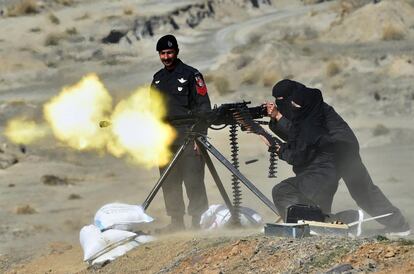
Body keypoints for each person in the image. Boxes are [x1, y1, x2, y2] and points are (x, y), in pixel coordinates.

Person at [267, 79, 410, 236]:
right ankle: (396, 225)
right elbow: (299, 136)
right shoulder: (304, 104)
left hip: (341, 152)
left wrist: (278, 118)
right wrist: (277, 118)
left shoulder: (309, 107)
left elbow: (304, 135)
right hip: (335, 152)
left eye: (283, 100)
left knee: (362, 192)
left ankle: (397, 226)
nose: (282, 104)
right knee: (332, 193)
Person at [150, 34, 211, 231]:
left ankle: (197, 222)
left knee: (193, 181)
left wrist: (199, 136)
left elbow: (204, 108)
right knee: (169, 181)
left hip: (189, 138)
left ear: (176, 52)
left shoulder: (192, 75)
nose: (166, 57)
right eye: (162, 53)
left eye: (169, 52)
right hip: (165, 141)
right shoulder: (157, 80)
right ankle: (176, 223)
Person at [269, 84, 339, 221]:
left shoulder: (310, 127)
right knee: (320, 213)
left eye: (297, 105)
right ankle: (343, 219)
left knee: (281, 190)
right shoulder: (313, 120)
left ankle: (299, 222)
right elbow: (295, 136)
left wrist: (280, 149)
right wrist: (274, 119)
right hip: (323, 176)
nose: (293, 107)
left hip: (318, 176)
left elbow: (297, 155)